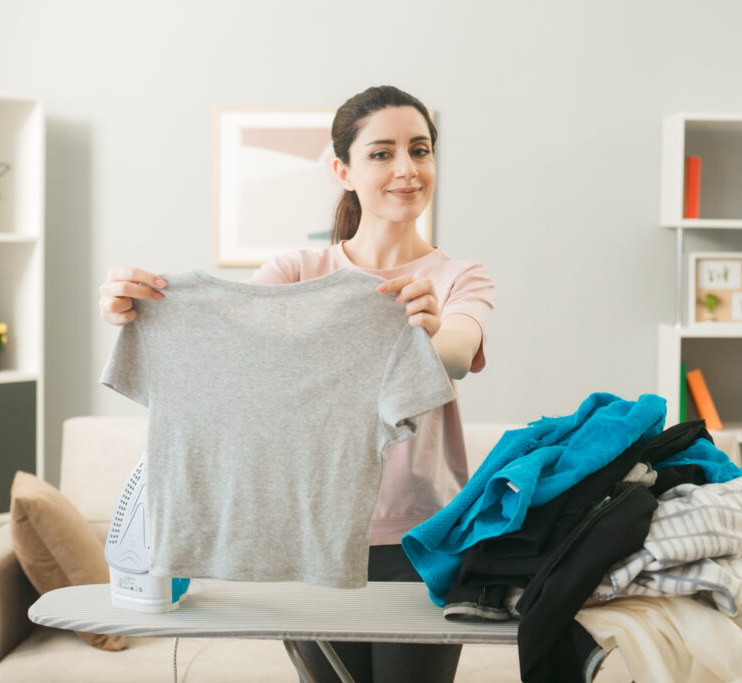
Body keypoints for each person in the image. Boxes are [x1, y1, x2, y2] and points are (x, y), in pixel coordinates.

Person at [98, 85, 495, 683]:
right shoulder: (294, 272)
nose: (407, 169)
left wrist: (427, 327)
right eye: (382, 153)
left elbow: (457, 355)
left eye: (420, 149)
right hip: (308, 527)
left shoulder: (459, 276)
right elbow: (241, 364)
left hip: (424, 534)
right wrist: (141, 312)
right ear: (344, 170)